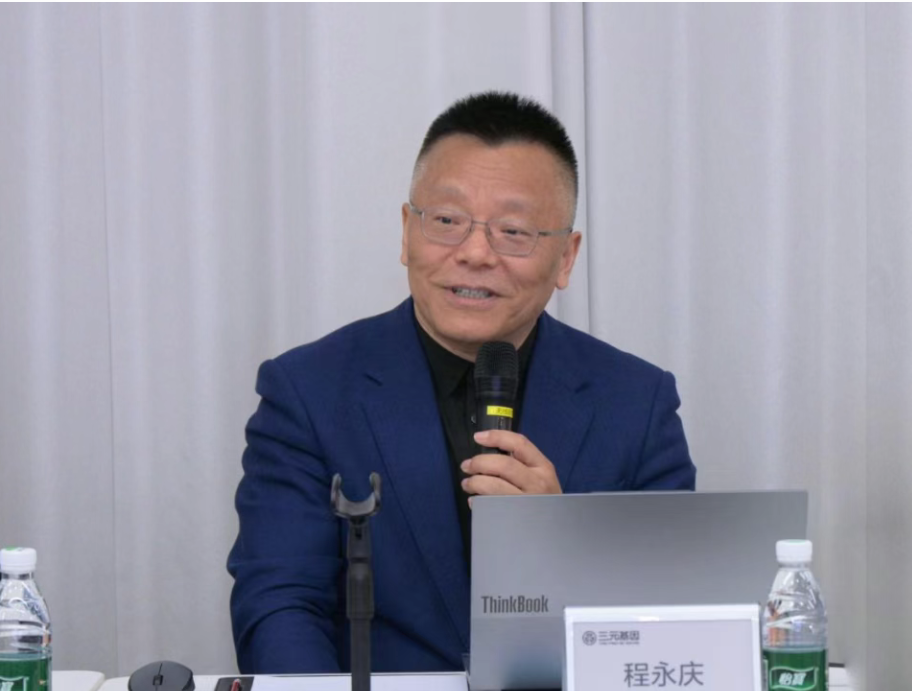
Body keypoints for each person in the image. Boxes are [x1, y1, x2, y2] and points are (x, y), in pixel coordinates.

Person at [227, 91, 696, 674]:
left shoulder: (637, 403)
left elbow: (675, 623)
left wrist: (563, 545)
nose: (475, 253)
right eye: (447, 221)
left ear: (566, 257)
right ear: (407, 232)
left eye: (513, 231)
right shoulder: (308, 392)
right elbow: (279, 606)